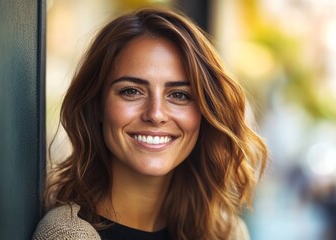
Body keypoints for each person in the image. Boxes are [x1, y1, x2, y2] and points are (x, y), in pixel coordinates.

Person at [33, 8, 267, 240]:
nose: (155, 114)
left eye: (179, 95)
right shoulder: (67, 234)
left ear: (205, 113)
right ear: (97, 105)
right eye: (132, 91)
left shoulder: (225, 233)